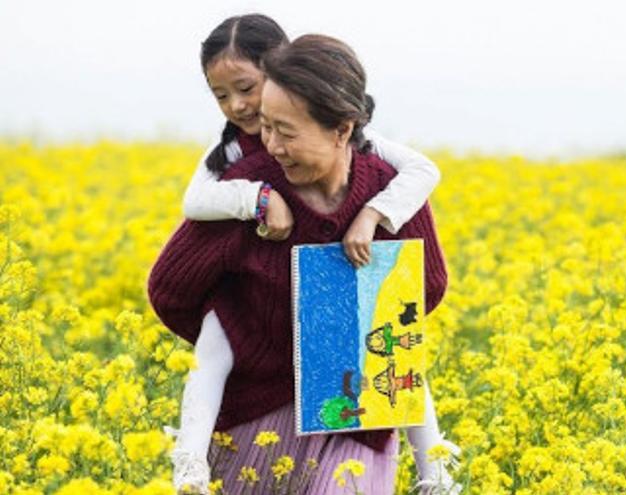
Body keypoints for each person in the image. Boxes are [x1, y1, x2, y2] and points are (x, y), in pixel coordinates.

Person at [150, 31, 458, 495]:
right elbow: (171, 287)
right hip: (255, 417)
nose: (270, 143)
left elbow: (424, 289)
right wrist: (253, 334)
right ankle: (189, 461)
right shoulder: (242, 186)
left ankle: (436, 476)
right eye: (267, 127)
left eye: (286, 132)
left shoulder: (390, 186)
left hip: (357, 422)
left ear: (343, 129)